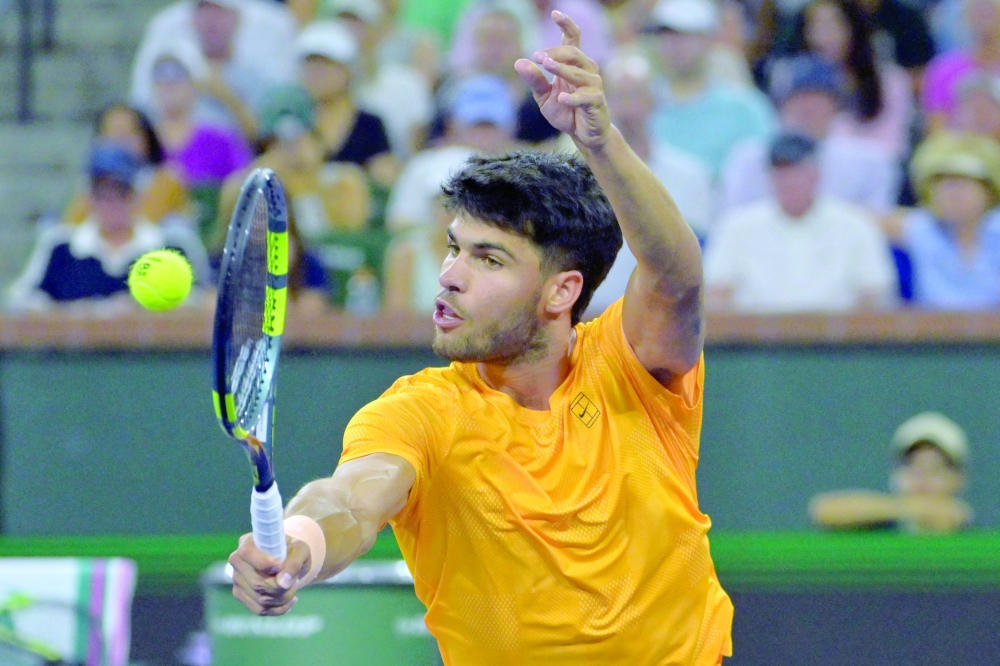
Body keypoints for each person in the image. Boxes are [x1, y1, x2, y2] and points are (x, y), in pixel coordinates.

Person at [229, 12, 733, 665]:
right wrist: (300, 544)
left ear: (561, 292)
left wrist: (600, 140)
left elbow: (675, 275)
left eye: (488, 259)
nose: (449, 278)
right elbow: (351, 499)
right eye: (453, 249)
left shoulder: (633, 365)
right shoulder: (419, 412)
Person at [705, 132, 896, 312]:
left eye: (799, 172)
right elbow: (716, 291)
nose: (791, 181)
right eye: (782, 173)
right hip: (754, 339)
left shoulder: (857, 225)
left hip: (837, 340)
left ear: (817, 174)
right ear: (769, 177)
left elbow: (874, 292)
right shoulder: (736, 226)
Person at [6, 143, 209, 312]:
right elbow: (19, 300)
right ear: (88, 198)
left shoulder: (173, 245)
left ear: (137, 195)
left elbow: (207, 301)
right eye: (101, 194)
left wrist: (144, 311)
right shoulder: (59, 246)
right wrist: (75, 312)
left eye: (121, 192)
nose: (111, 203)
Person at [382, 74, 520, 314]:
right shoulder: (407, 254)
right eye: (443, 202)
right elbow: (396, 325)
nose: (450, 211)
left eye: (459, 203)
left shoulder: (499, 257)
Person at [721, 53, 898, 215]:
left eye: (818, 97)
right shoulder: (749, 157)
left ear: (836, 104)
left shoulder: (869, 161)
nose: (807, 107)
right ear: (781, 105)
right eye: (798, 97)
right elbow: (732, 220)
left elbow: (877, 225)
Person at [646, 0, 776, 177]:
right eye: (665, 35)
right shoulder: (637, 104)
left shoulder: (745, 108)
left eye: (686, 35)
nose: (674, 44)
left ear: (709, 40)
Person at [130, 0, 298, 135]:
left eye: (219, 13)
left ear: (238, 18)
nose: (210, 22)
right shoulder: (170, 55)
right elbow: (141, 108)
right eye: (203, 11)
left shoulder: (259, 67)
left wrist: (223, 93)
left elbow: (266, 134)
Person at [885, 131, 1000, 309]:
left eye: (963, 184)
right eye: (944, 185)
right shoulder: (920, 228)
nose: (953, 194)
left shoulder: (996, 228)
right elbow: (857, 218)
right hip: (932, 333)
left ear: (988, 191)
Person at [789, 0, 914, 159]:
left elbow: (893, 145)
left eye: (833, 23)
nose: (825, 34)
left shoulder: (891, 80)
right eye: (815, 26)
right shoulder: (793, 83)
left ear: (853, 26)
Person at [809, 412, 972, 533]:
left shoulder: (970, 534)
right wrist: (913, 509)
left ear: (958, 478)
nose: (922, 479)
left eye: (935, 470)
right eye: (912, 468)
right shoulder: (882, 527)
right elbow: (823, 510)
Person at [295, 20, 399, 188]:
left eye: (326, 66)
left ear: (348, 70)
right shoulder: (293, 119)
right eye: (311, 65)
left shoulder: (370, 125)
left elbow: (385, 177)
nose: (317, 74)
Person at [63, 104, 192, 228]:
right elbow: (71, 228)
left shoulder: (166, 179)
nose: (120, 140)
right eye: (112, 132)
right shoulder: (88, 184)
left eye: (128, 132)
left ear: (146, 138)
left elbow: (143, 226)